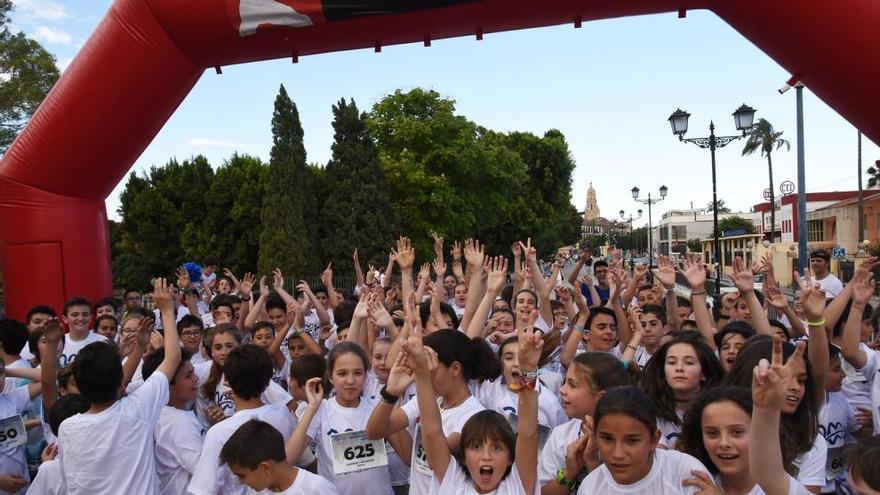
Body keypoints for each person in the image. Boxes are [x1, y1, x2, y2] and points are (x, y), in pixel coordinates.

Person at [56, 278, 181, 494]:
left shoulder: (67, 428)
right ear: (121, 383)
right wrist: (167, 311)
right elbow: (172, 358)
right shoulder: (137, 410)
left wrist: (139, 348)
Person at [407, 309, 541, 494]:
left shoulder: (517, 486)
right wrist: (422, 374)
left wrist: (528, 368)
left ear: (511, 457)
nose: (486, 457)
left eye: (497, 447)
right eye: (476, 446)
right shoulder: (451, 480)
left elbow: (528, 433)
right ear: (463, 457)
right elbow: (431, 432)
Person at [285, 342, 394, 495]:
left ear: (366, 374)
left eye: (357, 373)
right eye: (342, 374)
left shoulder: (377, 407)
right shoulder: (321, 409)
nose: (350, 381)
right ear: (330, 377)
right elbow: (289, 458)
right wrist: (312, 408)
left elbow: (407, 454)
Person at [188, 345, 295, 495]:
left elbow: (201, 490)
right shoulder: (282, 413)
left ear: (227, 382)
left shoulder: (219, 433)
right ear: (267, 381)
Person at [678, 385, 812, 495]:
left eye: (737, 432)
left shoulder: (781, 489)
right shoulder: (694, 484)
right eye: (712, 433)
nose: (724, 443)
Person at [576, 385, 711, 494]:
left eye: (632, 441)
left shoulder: (686, 475)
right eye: (607, 439)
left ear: (654, 440)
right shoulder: (590, 488)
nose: (618, 454)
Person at [539, 352, 638, 494]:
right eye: (565, 382)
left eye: (572, 385)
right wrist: (569, 473)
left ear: (602, 397)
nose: (562, 390)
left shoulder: (629, 441)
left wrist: (593, 465)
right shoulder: (561, 435)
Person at [641, 334, 723, 449]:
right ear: (663, 372)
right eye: (671, 362)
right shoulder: (649, 410)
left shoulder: (720, 410)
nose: (679, 368)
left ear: (703, 373)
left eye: (689, 363)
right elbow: (659, 459)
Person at [141, 347, 203, 495]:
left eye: (193, 372)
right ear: (166, 385)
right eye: (188, 376)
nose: (196, 378)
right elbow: (204, 471)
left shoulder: (162, 414)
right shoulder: (177, 422)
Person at [219, 419, 338, 495]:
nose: (241, 482)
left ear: (265, 468)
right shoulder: (256, 490)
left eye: (242, 476)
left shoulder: (317, 489)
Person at [59, 297, 108, 367]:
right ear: (65, 319)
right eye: (75, 315)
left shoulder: (102, 341)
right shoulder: (58, 342)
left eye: (85, 314)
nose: (80, 318)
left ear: (91, 318)